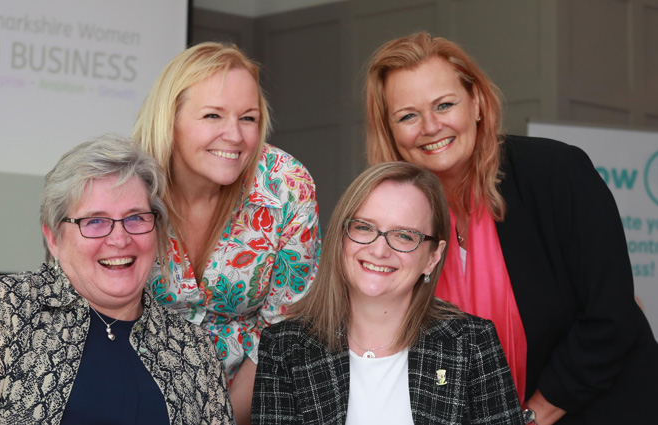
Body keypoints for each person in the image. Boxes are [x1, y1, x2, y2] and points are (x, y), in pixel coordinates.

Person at [365, 32, 658, 424]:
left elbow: (612, 314)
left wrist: (528, 418)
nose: (430, 126)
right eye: (408, 115)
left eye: (444, 104)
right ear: (390, 131)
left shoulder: (558, 173)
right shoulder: (391, 220)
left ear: (478, 104)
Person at [0, 135, 233, 424]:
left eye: (135, 218)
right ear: (53, 237)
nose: (120, 239)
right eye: (95, 221)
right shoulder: (2, 308)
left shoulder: (195, 349)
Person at [133, 42, 320, 424]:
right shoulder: (125, 187)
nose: (234, 136)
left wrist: (222, 419)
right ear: (170, 119)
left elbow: (284, 326)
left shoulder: (285, 186)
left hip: (251, 400)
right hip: (134, 392)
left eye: (248, 118)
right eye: (213, 115)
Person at [251, 162, 522, 425]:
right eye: (364, 227)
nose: (379, 250)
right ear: (341, 236)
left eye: (404, 235)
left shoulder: (472, 343)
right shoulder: (284, 347)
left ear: (432, 257)